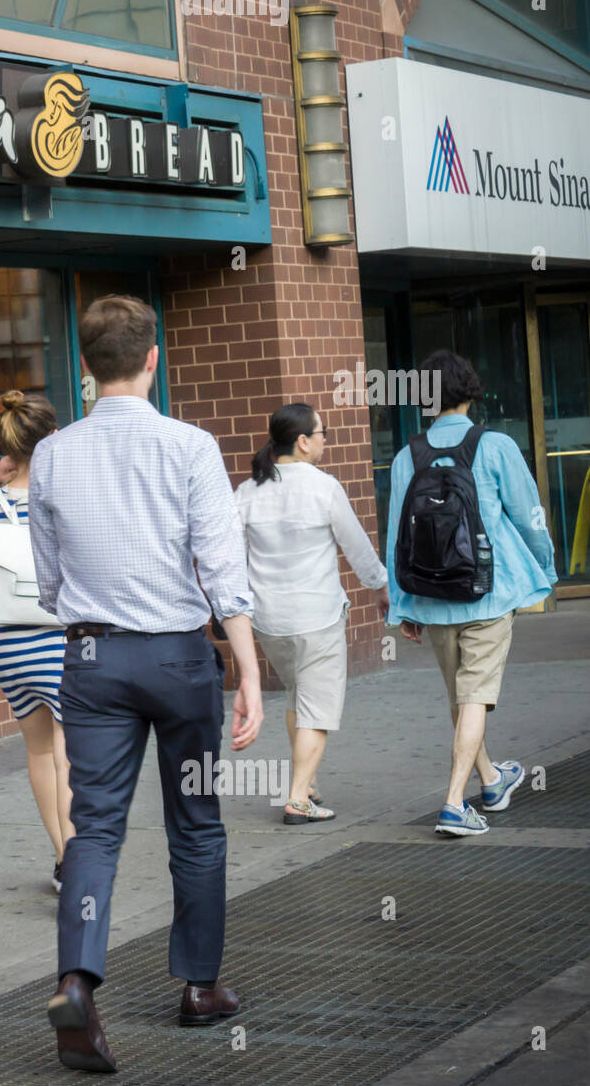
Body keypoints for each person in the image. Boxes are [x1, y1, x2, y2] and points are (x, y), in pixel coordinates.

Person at [29, 295, 263, 1073]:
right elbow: (223, 574)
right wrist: (251, 674)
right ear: (153, 358)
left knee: (93, 827)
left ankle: (77, 979)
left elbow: (49, 582)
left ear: (87, 364)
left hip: (92, 663)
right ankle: (199, 986)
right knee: (196, 821)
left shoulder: (52, 454)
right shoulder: (191, 447)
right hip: (179, 660)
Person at [387, 351, 557, 838]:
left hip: (434, 597)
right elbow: (529, 515)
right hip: (489, 591)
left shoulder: (407, 455)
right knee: (475, 697)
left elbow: (396, 534)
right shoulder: (495, 445)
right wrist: (543, 567)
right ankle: (453, 804)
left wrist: (404, 602)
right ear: (470, 390)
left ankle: (492, 781)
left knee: (463, 699)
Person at [235, 403, 389, 824]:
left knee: (297, 695)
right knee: (317, 708)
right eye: (322, 434)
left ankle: (310, 782)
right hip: (316, 617)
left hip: (269, 621)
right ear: (302, 442)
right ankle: (298, 798)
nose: (325, 440)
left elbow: (231, 556)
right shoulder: (324, 487)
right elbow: (355, 545)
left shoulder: (248, 491)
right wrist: (380, 585)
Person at [0, 391, 73, 893]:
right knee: (72, 756)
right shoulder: (66, 497)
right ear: (50, 438)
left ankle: (62, 854)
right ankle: (77, 859)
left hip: (8, 643)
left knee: (40, 753)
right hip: (61, 641)